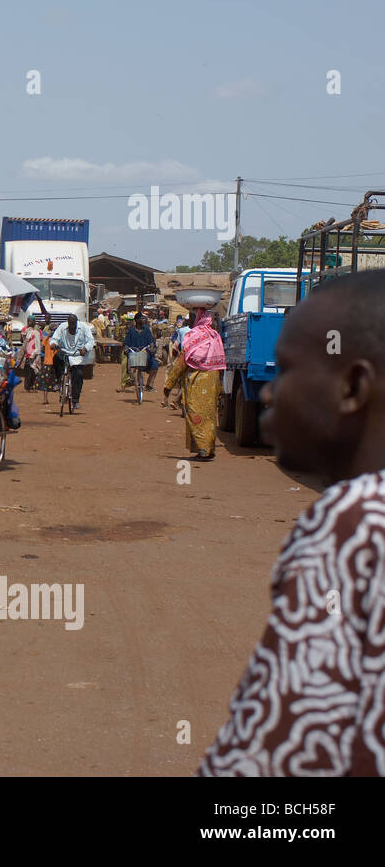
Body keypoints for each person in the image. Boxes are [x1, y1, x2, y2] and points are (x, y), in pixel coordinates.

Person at [199, 271, 385, 775]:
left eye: (286, 370)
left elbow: (279, 743)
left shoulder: (357, 524)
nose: (266, 394)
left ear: (352, 387)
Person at [161, 308, 225, 459]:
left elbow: (182, 362)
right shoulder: (215, 336)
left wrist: (168, 385)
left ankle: (203, 450)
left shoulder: (193, 335)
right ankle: (209, 449)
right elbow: (221, 362)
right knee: (209, 416)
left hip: (197, 382)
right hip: (213, 380)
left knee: (195, 414)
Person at [48, 313, 95, 409]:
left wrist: (85, 348)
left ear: (76, 323)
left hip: (78, 355)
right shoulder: (62, 327)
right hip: (65, 352)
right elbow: (54, 338)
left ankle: (75, 400)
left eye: (74, 324)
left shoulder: (84, 328)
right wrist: (53, 344)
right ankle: (58, 381)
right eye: (70, 324)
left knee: (78, 375)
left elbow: (91, 341)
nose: (72, 327)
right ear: (68, 323)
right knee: (56, 357)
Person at [121, 313, 159, 393]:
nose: (144, 320)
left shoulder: (146, 329)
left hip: (145, 353)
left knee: (155, 366)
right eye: (142, 318)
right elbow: (126, 342)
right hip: (134, 353)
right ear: (137, 320)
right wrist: (126, 348)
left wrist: (152, 347)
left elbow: (151, 340)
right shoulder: (131, 331)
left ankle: (149, 385)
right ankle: (132, 380)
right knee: (130, 365)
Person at [21, 316, 44, 392]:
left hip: (35, 353)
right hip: (27, 353)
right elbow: (21, 340)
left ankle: (32, 385)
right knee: (28, 370)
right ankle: (28, 386)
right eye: (28, 321)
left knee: (35, 370)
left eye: (31, 321)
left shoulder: (38, 331)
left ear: (34, 322)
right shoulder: (24, 329)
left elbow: (40, 341)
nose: (29, 322)